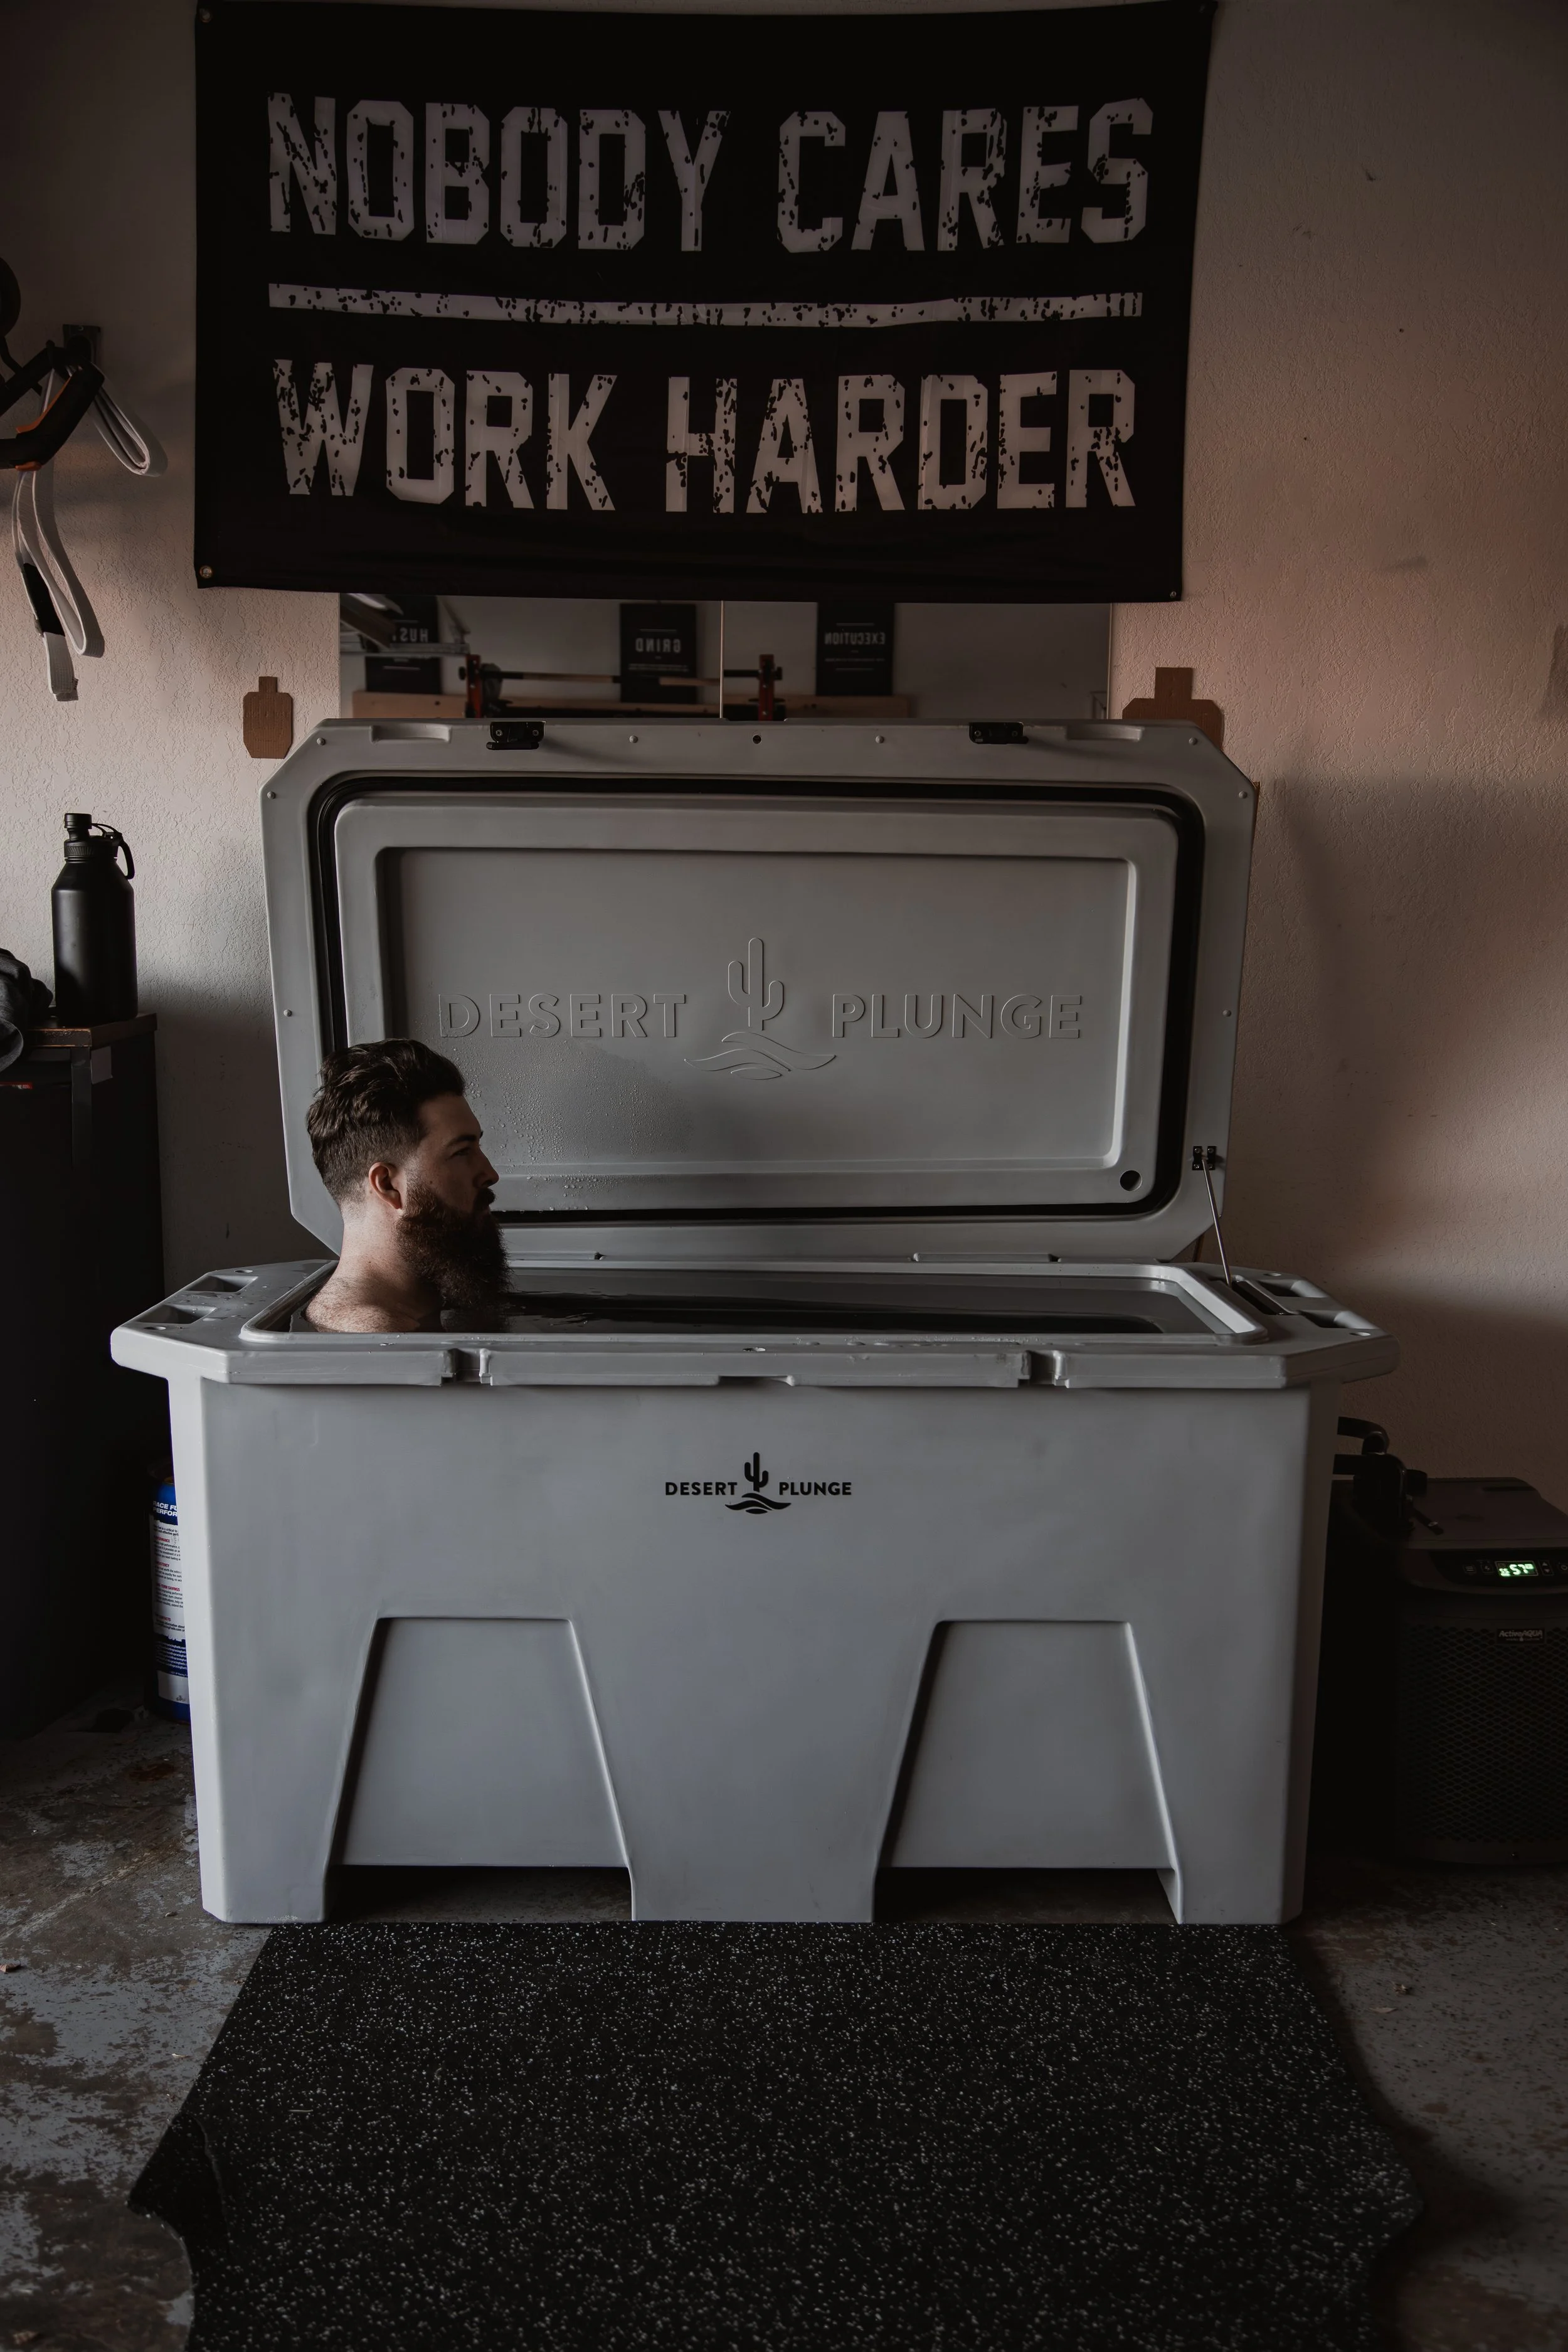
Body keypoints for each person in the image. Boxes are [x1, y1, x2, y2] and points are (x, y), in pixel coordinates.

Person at [302, 1039, 506, 1332]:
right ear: (387, 1185)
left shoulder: (432, 1296)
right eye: (461, 1152)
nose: (489, 1173)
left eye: (478, 1147)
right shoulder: (377, 1335)